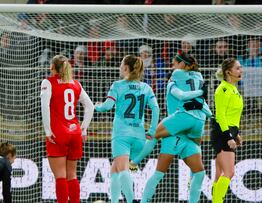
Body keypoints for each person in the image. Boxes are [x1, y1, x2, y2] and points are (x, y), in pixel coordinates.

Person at [140, 52, 211, 203]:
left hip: (177, 127)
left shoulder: (175, 78)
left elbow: (181, 95)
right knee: (198, 173)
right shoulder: (199, 78)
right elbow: (202, 103)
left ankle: (135, 161)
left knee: (154, 139)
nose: (172, 67)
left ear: (182, 65)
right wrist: (211, 115)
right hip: (190, 127)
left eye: (175, 64)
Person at [95, 55, 159, 203]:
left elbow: (107, 106)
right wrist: (152, 130)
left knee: (123, 169)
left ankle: (130, 201)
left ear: (125, 68)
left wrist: (96, 106)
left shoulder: (118, 85)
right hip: (139, 136)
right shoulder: (146, 87)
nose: (119, 67)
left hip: (122, 135)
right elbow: (156, 109)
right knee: (115, 170)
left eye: (121, 64)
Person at [40, 55, 94, 203]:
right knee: (72, 175)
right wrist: (83, 129)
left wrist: (47, 131)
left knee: (61, 176)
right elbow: (90, 107)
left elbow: (44, 106)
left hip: (58, 133)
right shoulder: (76, 84)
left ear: (52, 67)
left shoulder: (48, 82)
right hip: (75, 132)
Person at [210, 58, 244, 203]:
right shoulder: (223, 89)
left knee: (219, 175)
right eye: (237, 68)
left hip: (228, 131)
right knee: (229, 173)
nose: (240, 71)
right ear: (228, 72)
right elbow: (220, 115)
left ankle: (216, 200)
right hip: (223, 132)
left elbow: (231, 115)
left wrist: (236, 134)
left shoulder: (233, 88)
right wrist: (229, 136)